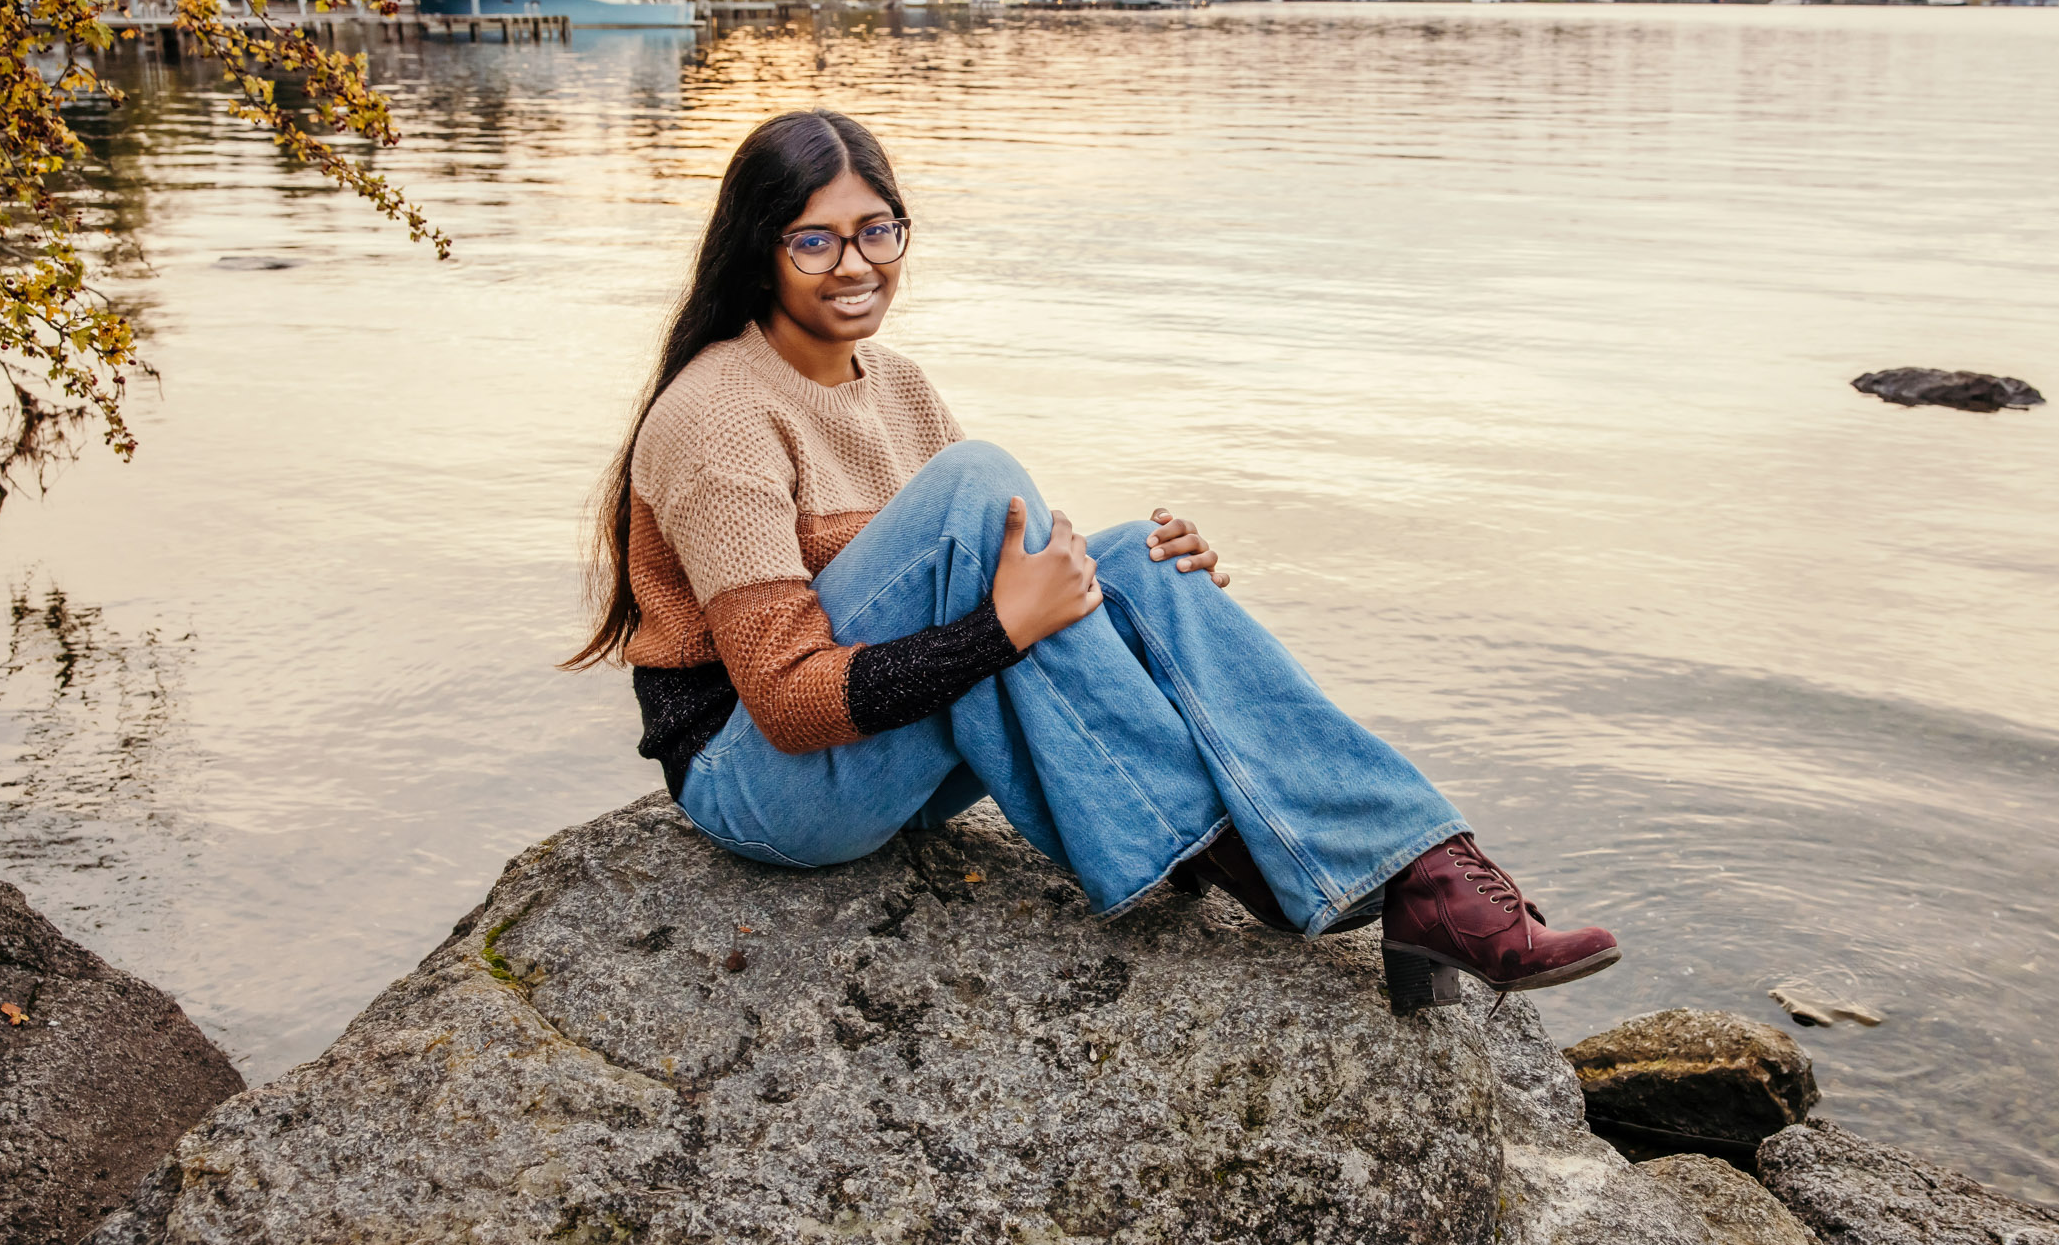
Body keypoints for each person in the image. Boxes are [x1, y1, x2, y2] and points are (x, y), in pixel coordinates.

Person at [567, 109, 1619, 1014]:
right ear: (760, 250)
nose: (857, 264)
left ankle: (1424, 868)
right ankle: (1241, 844)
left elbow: (1017, 566)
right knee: (992, 496)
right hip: (760, 786)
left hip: (883, 764)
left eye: (877, 229)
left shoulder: (898, 384)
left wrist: (1131, 586)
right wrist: (1004, 627)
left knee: (1134, 561)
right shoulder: (717, 412)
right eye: (815, 242)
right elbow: (790, 702)